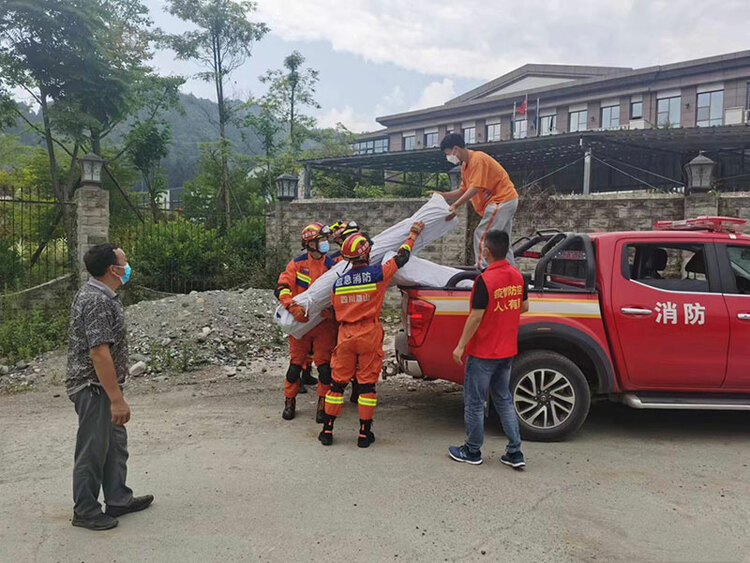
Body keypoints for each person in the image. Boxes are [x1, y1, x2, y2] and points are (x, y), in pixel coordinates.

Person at [66, 243, 153, 531]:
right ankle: (86, 510)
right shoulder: (96, 301)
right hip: (93, 387)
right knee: (93, 448)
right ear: (112, 269)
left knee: (114, 444)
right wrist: (116, 398)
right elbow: (98, 352)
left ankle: (118, 498)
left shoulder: (104, 296)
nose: (127, 265)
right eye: (123, 261)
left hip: (103, 385)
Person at [319, 222, 424, 448]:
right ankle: (364, 435)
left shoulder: (338, 283)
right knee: (366, 386)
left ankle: (327, 430)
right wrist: (413, 235)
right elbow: (402, 257)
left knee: (337, 385)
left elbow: (334, 311)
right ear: (366, 252)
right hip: (368, 334)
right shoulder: (377, 274)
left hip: (345, 336)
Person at [448, 230, 528, 469]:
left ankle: (472, 451)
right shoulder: (518, 276)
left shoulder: (485, 280)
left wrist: (461, 346)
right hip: (507, 351)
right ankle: (515, 452)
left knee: (474, 402)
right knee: (503, 399)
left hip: (484, 352)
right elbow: (524, 307)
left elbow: (475, 316)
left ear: (486, 252)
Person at [275, 222, 338, 422]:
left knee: (325, 369)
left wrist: (333, 312)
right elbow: (282, 286)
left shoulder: (333, 267)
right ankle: (289, 402)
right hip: (300, 323)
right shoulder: (297, 264)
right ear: (310, 244)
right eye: (321, 240)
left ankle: (322, 406)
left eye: (325, 240)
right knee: (295, 367)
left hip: (323, 325)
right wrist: (291, 306)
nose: (325, 243)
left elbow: (340, 293)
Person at [438, 133, 518, 269]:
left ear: (456, 149)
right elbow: (463, 190)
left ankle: (483, 269)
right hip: (506, 200)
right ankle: (511, 273)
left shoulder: (478, 159)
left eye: (448, 153)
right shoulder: (465, 166)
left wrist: (456, 205)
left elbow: (475, 188)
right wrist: (442, 195)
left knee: (482, 234)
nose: (449, 157)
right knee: (502, 241)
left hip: (501, 200)